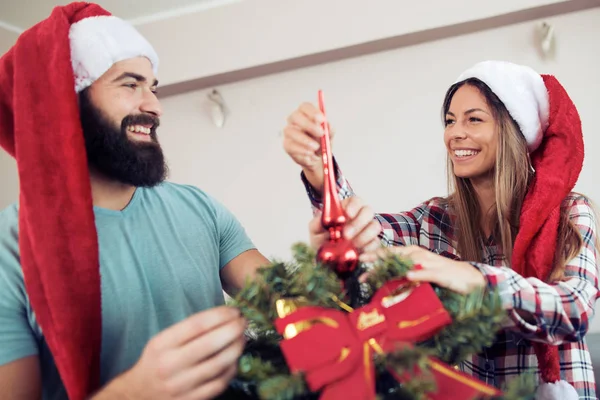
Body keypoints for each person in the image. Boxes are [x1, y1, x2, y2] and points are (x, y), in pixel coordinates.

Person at [0, 3, 352, 400]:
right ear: (66, 100)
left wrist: (329, 239)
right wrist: (133, 392)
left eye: (153, 87)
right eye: (130, 85)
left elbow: (291, 308)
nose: (154, 106)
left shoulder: (198, 208)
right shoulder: (9, 246)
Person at [283, 60, 599, 399]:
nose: (455, 133)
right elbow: (367, 237)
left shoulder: (568, 211)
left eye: (473, 119)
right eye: (450, 121)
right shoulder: (433, 220)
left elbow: (574, 308)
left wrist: (472, 278)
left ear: (514, 131)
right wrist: (321, 171)